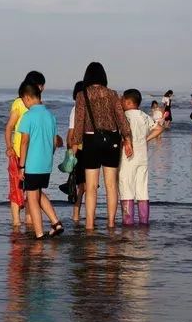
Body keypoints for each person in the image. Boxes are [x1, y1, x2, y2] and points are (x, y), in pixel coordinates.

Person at [68, 62, 133, 230]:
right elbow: (121, 119)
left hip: (90, 141)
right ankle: (111, 223)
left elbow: (79, 122)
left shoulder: (82, 95)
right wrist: (127, 139)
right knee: (111, 186)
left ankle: (89, 224)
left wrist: (74, 145)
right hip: (111, 139)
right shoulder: (112, 94)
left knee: (90, 187)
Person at [16, 81, 63, 239]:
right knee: (38, 193)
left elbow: (24, 142)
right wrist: (49, 156)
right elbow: (54, 141)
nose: (24, 104)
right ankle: (56, 223)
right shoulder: (50, 116)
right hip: (45, 164)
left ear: (27, 98)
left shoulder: (28, 116)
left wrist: (21, 166)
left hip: (32, 164)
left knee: (32, 199)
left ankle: (39, 234)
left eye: (23, 100)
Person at [4, 71, 46, 227]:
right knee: (17, 187)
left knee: (32, 189)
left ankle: (29, 219)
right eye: (41, 85)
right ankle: (16, 221)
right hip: (18, 152)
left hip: (33, 153)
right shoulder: (20, 103)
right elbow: (9, 127)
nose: (42, 88)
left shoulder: (38, 104)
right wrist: (9, 147)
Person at [119, 89, 164, 226]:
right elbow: (159, 128)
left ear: (128, 102)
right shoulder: (144, 116)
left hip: (127, 158)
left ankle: (128, 223)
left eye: (122, 100)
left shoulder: (124, 116)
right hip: (142, 157)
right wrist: (146, 139)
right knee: (142, 190)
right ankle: (144, 223)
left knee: (127, 189)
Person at [65, 81, 86, 223]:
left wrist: (69, 152)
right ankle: (81, 214)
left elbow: (70, 135)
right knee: (85, 186)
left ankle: (77, 214)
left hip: (79, 150)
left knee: (81, 185)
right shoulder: (82, 109)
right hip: (87, 150)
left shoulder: (76, 109)